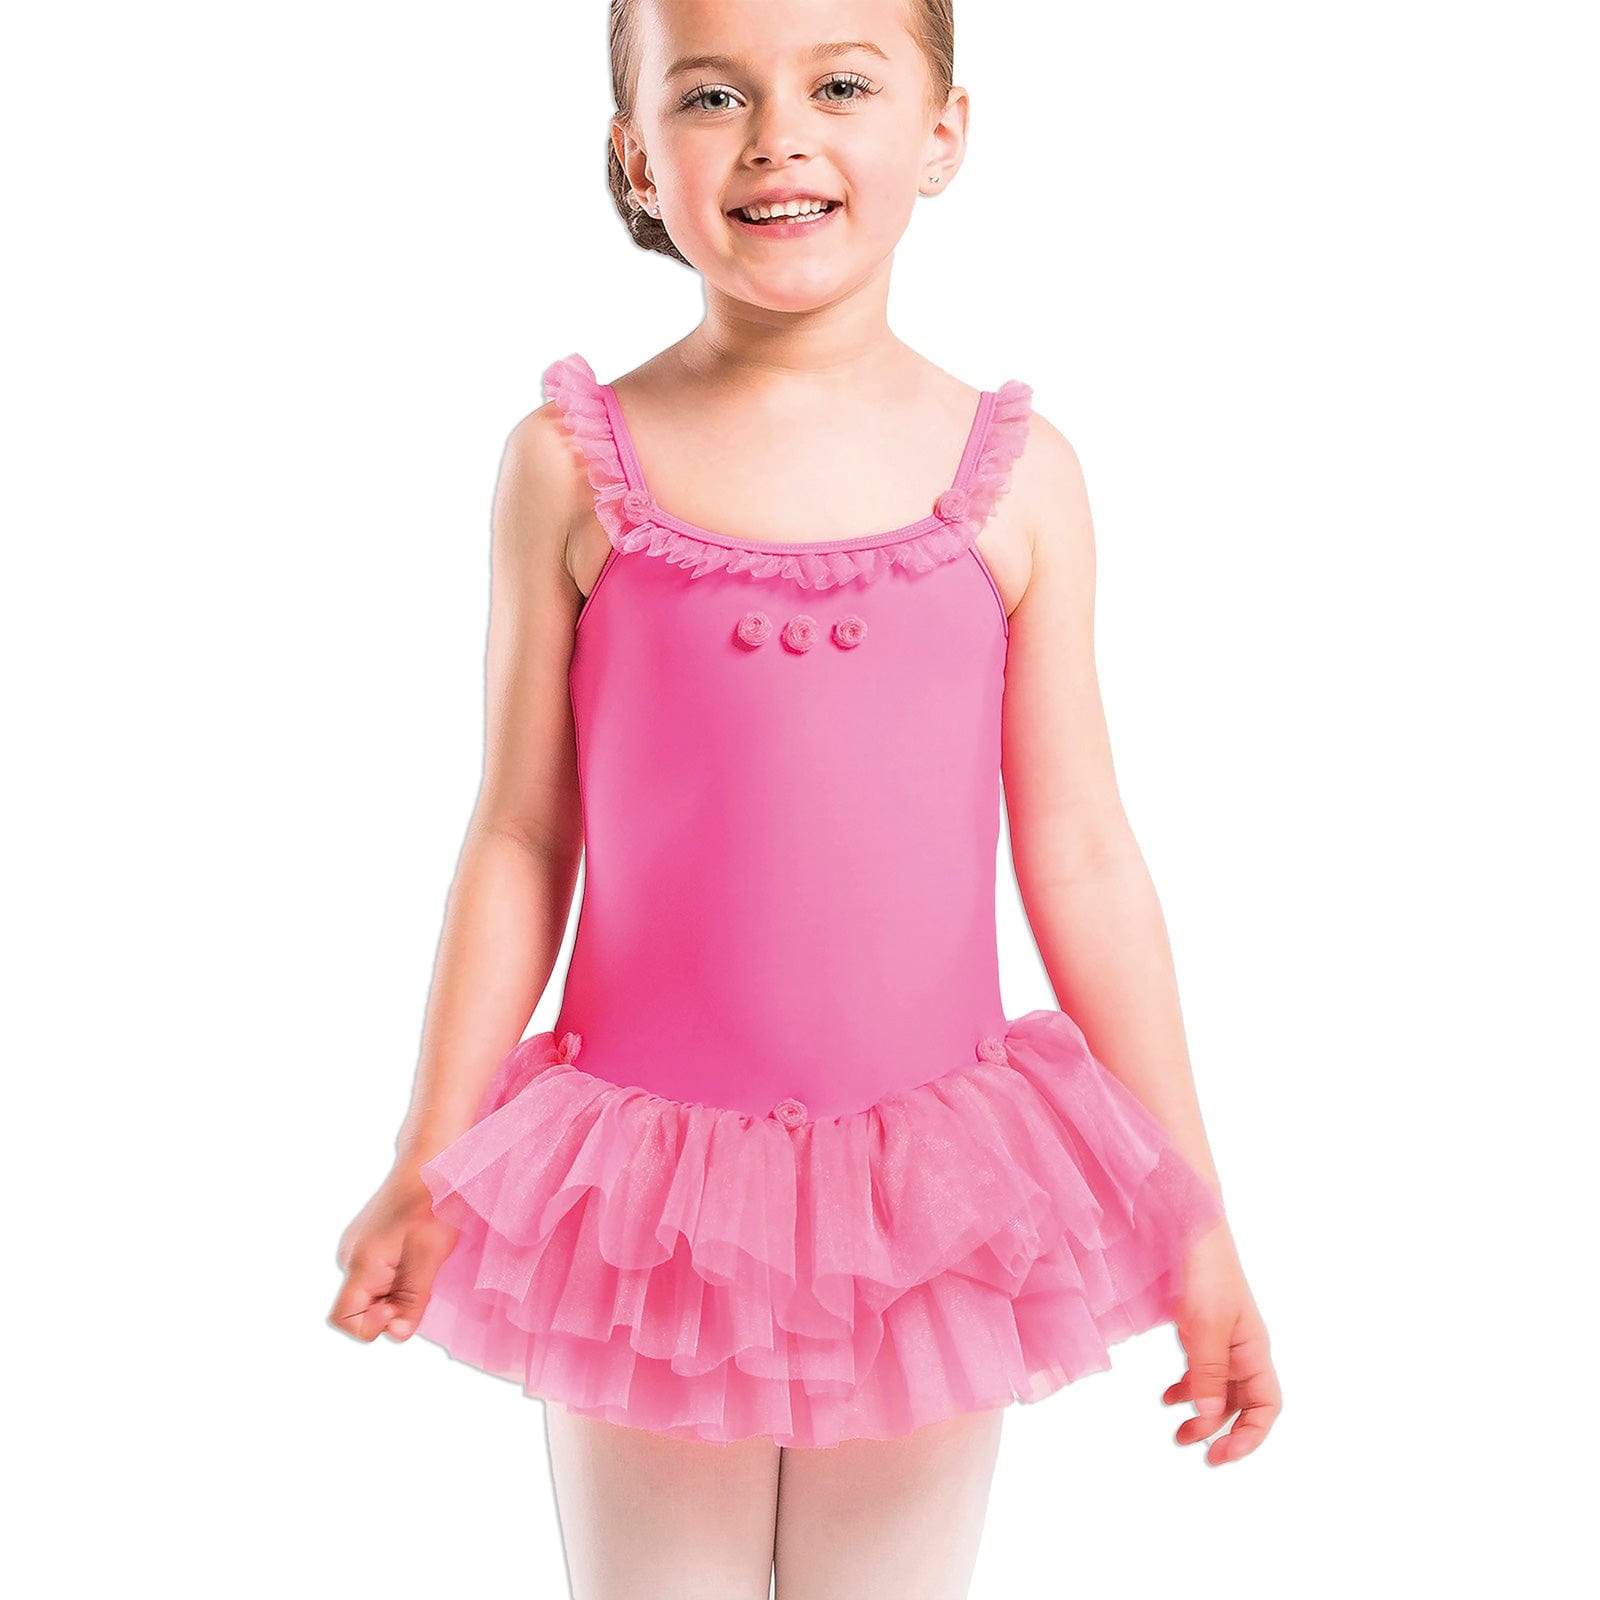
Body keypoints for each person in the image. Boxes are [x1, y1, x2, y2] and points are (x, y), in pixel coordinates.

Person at [329, 1, 1282, 1593]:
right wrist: (429, 1150)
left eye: (841, 83)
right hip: (645, 1204)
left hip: (930, 1201)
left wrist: (1196, 1215)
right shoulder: (569, 463)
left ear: (944, 133)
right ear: (638, 159)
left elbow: (1082, 853)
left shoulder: (1021, 477)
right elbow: (520, 834)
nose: (779, 136)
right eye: (713, 96)